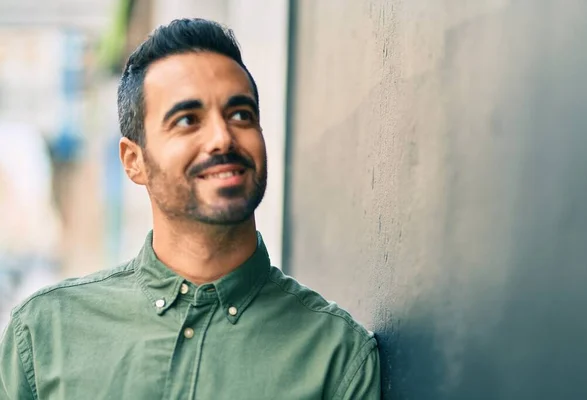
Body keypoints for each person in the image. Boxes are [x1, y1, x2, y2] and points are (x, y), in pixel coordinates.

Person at [0, 19, 380, 399]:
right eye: (187, 120)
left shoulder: (337, 355)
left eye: (241, 115)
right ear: (134, 161)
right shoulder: (43, 333)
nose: (222, 137)